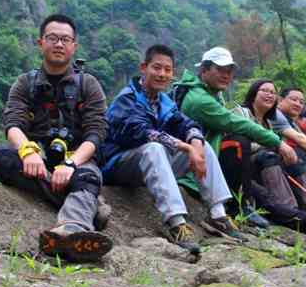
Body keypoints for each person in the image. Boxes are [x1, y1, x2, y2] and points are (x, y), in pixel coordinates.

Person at [0, 14, 112, 262]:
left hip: (77, 159)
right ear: (40, 43)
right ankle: (89, 208)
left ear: (74, 46)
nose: (58, 44)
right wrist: (27, 152)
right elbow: (12, 123)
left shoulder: (88, 84)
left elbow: (96, 132)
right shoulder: (26, 83)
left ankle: (71, 230)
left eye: (65, 39)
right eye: (52, 38)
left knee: (87, 176)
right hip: (39, 158)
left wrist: (70, 164)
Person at [99, 44, 238, 256]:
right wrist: (185, 147)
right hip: (117, 165)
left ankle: (218, 214)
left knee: (203, 146)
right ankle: (177, 223)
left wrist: (196, 144)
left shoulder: (164, 101)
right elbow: (141, 132)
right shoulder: (127, 98)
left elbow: (186, 124)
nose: (162, 74)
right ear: (143, 68)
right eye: (157, 68)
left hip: (148, 164)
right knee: (155, 147)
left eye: (167, 70)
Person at [174, 46, 295, 226]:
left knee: (260, 180)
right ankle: (241, 207)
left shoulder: (212, 94)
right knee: (239, 142)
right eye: (220, 70)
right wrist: (278, 143)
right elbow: (236, 123)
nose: (226, 75)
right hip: (195, 166)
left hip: (212, 162)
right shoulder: (200, 99)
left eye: (229, 71)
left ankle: (300, 217)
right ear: (204, 70)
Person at [232, 79, 306, 237]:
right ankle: (292, 214)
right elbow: (236, 144)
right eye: (264, 90)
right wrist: (276, 146)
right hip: (243, 168)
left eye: (272, 92)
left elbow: (299, 138)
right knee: (270, 156)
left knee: (295, 164)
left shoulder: (270, 121)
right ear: (253, 94)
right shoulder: (240, 113)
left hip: (264, 165)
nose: (269, 95)